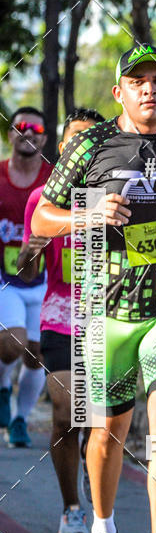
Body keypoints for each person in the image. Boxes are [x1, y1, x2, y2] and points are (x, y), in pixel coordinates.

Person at [32, 44, 156, 533]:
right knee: (107, 433)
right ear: (119, 92)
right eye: (137, 82)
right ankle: (102, 532)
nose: (148, 89)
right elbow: (41, 217)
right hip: (104, 311)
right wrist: (86, 211)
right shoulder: (89, 145)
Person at [18, 108, 105, 533]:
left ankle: (94, 471)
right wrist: (30, 252)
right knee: (67, 410)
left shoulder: (117, 195)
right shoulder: (43, 198)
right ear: (62, 145)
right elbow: (26, 271)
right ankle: (72, 506)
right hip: (61, 316)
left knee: (97, 420)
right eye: (74, 140)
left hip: (109, 317)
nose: (82, 148)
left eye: (91, 140)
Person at [0, 107, 51, 447]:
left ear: (44, 138)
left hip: (44, 279)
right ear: (10, 135)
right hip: (5, 281)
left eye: (36, 128)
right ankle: (3, 385)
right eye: (21, 126)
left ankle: (20, 419)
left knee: (37, 353)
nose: (28, 132)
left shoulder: (53, 178)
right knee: (11, 344)